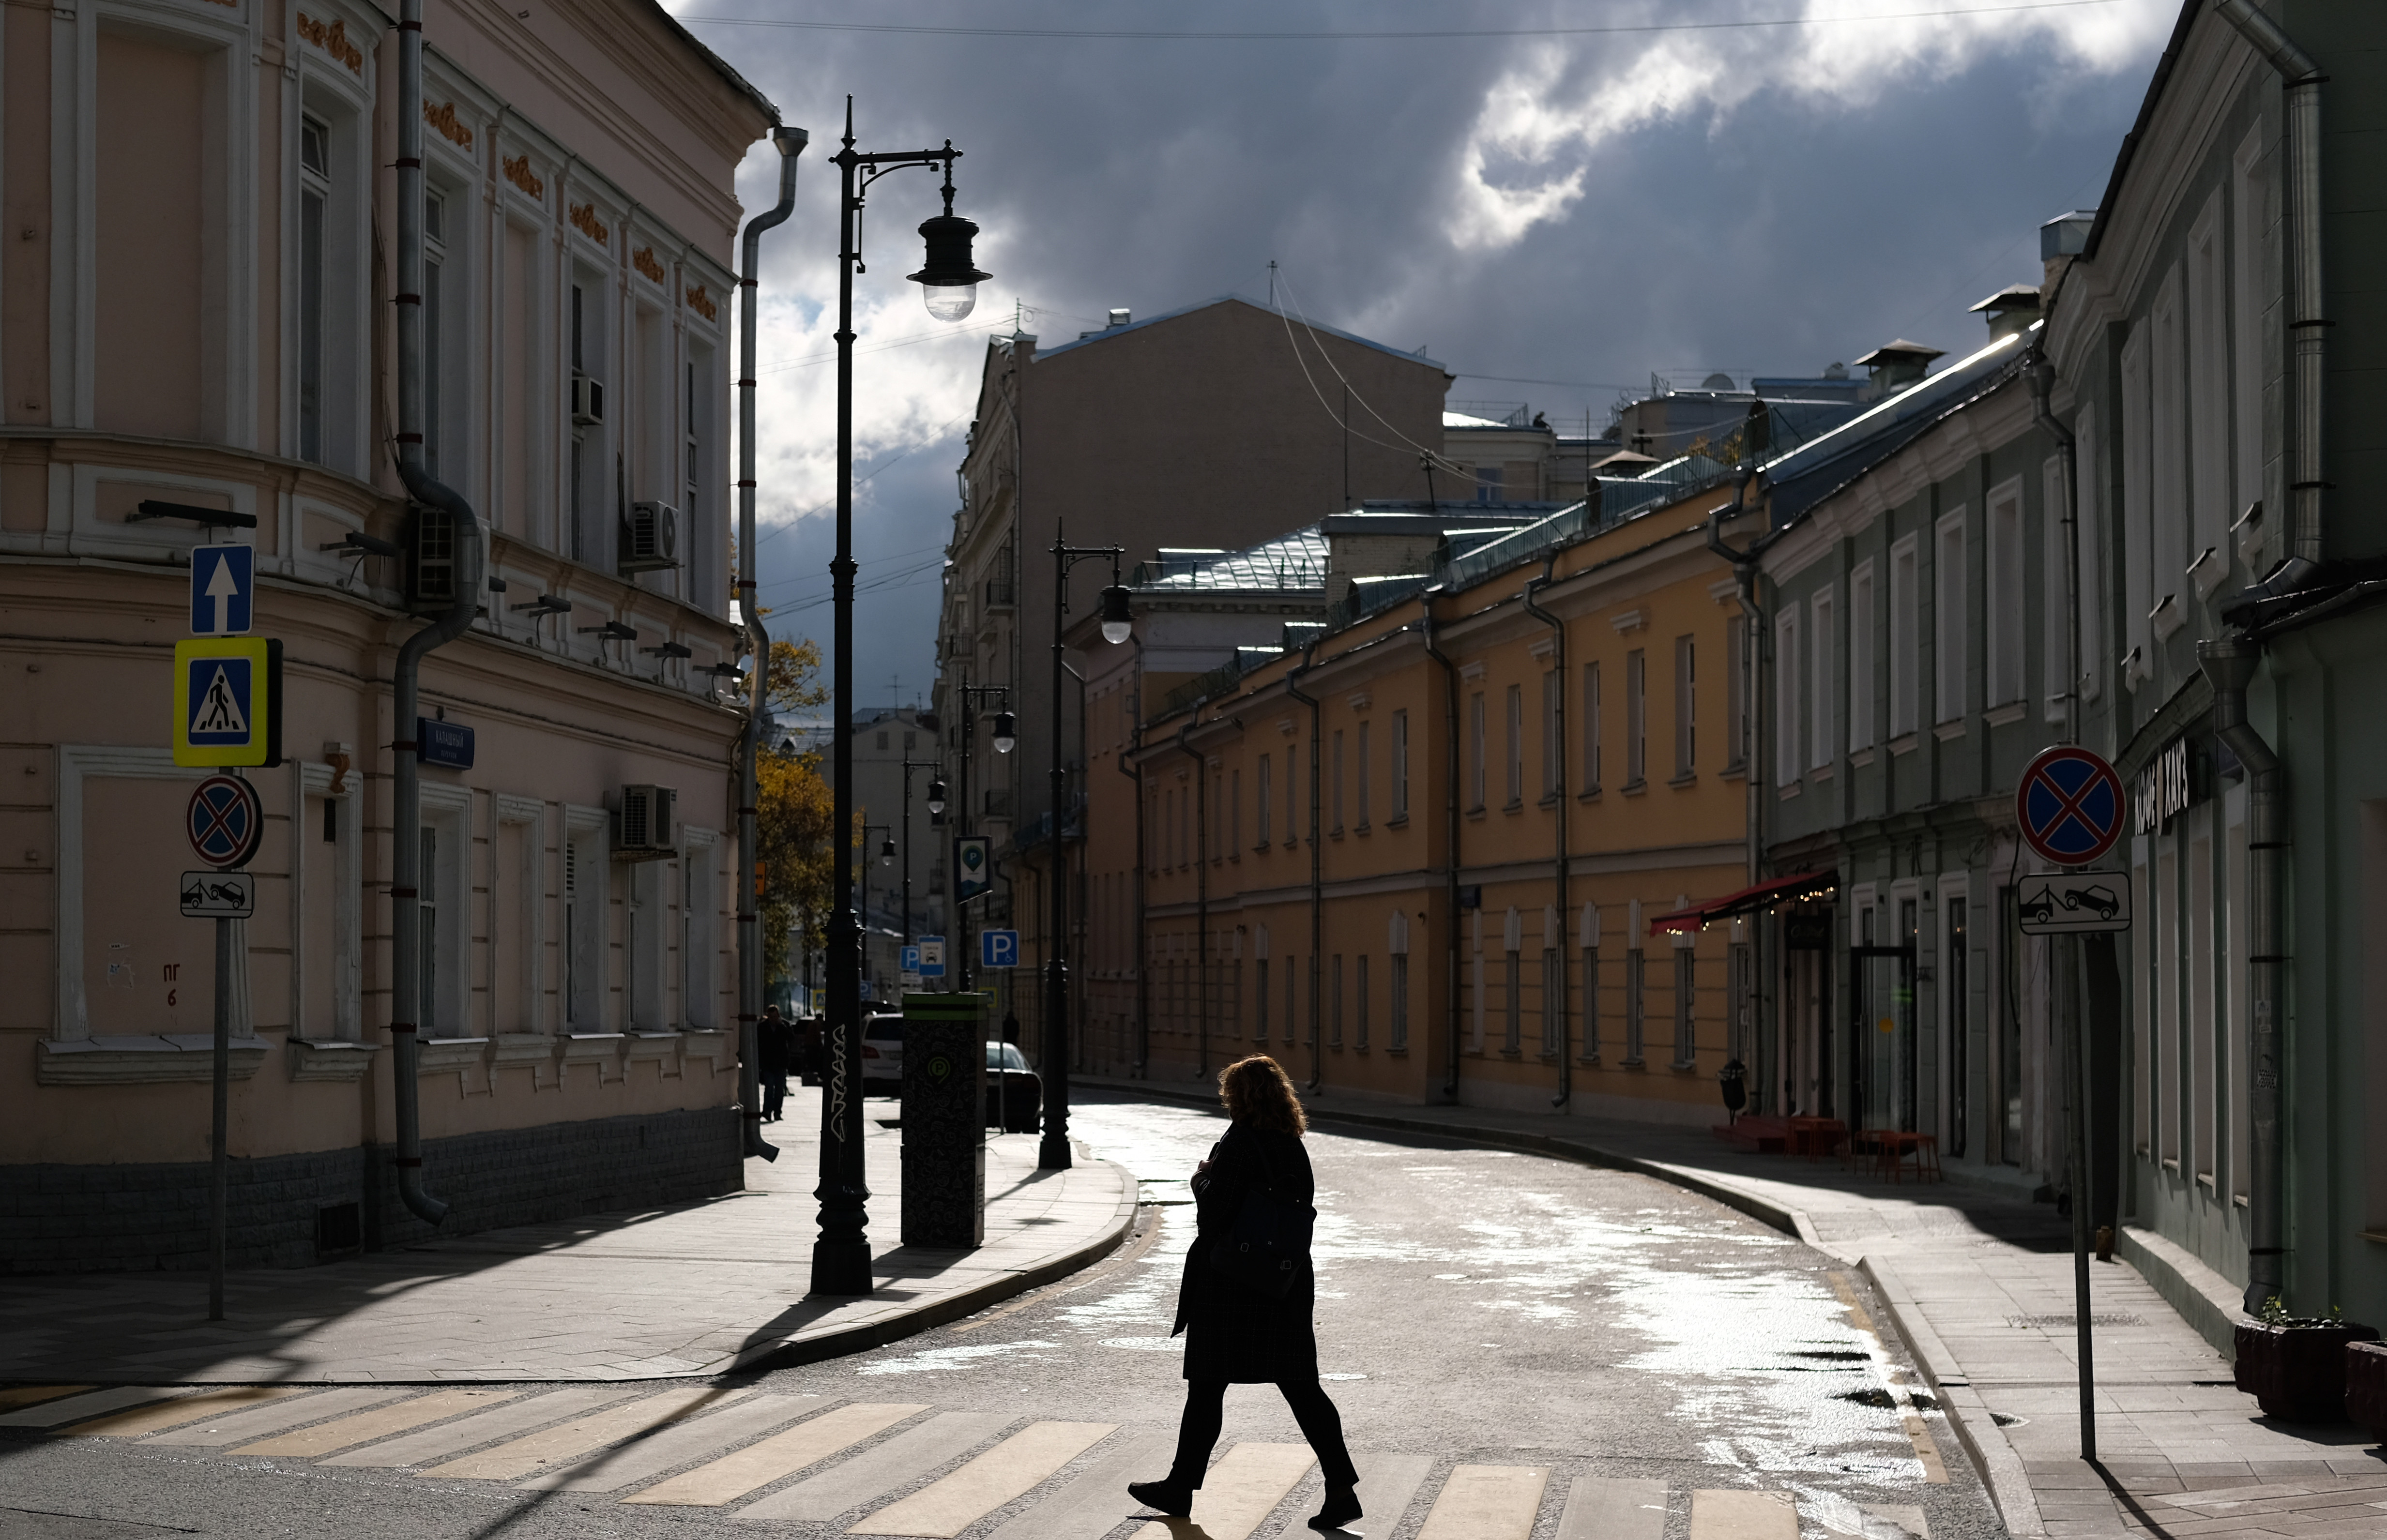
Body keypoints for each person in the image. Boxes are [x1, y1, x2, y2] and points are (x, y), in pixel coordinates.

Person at [1129, 1055, 1359, 1532]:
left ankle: (1179, 1485)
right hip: (1284, 1280)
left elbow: (1215, 1214)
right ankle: (1340, 1488)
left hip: (1232, 1284)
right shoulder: (1292, 1145)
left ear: (1239, 1096)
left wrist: (1200, 1181)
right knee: (1301, 1388)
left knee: (1207, 1386)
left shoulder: (1238, 1142)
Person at [758, 1006, 790, 1123]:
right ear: (767, 1016)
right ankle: (767, 1111)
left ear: (779, 1016)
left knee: (779, 1090)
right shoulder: (762, 1027)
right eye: (771, 1017)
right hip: (768, 1064)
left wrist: (782, 1026)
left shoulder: (784, 1025)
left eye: (775, 1017)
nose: (773, 1019)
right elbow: (758, 1044)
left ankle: (777, 1112)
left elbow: (791, 1038)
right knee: (769, 1088)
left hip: (781, 1063)